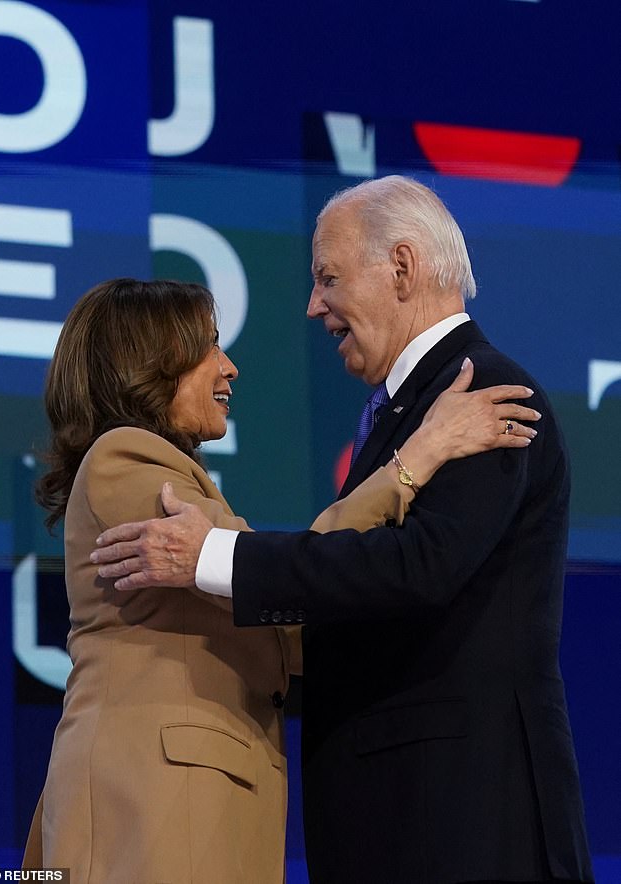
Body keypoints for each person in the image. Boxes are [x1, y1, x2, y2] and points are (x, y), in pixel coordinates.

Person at [92, 176, 593, 884]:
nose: (312, 305)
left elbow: (421, 566)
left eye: (328, 277)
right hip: (406, 816)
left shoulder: (482, 395)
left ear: (403, 268)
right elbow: (348, 559)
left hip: (466, 819)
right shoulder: (413, 410)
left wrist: (214, 557)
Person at [23, 277, 537, 884]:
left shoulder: (178, 478)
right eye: (210, 347)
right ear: (151, 364)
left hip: (191, 804)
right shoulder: (126, 458)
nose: (230, 367)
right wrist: (419, 457)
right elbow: (280, 586)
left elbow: (276, 591)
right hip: (153, 803)